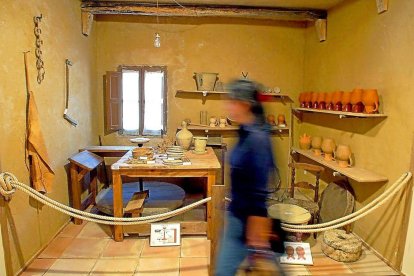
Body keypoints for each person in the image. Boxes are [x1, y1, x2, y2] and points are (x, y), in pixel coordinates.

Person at [215, 79, 276, 276]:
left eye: (233, 101)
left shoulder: (257, 138)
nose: (228, 105)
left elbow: (261, 183)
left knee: (224, 271)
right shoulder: (245, 132)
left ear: (246, 104)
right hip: (238, 214)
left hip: (248, 219)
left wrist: (256, 223)